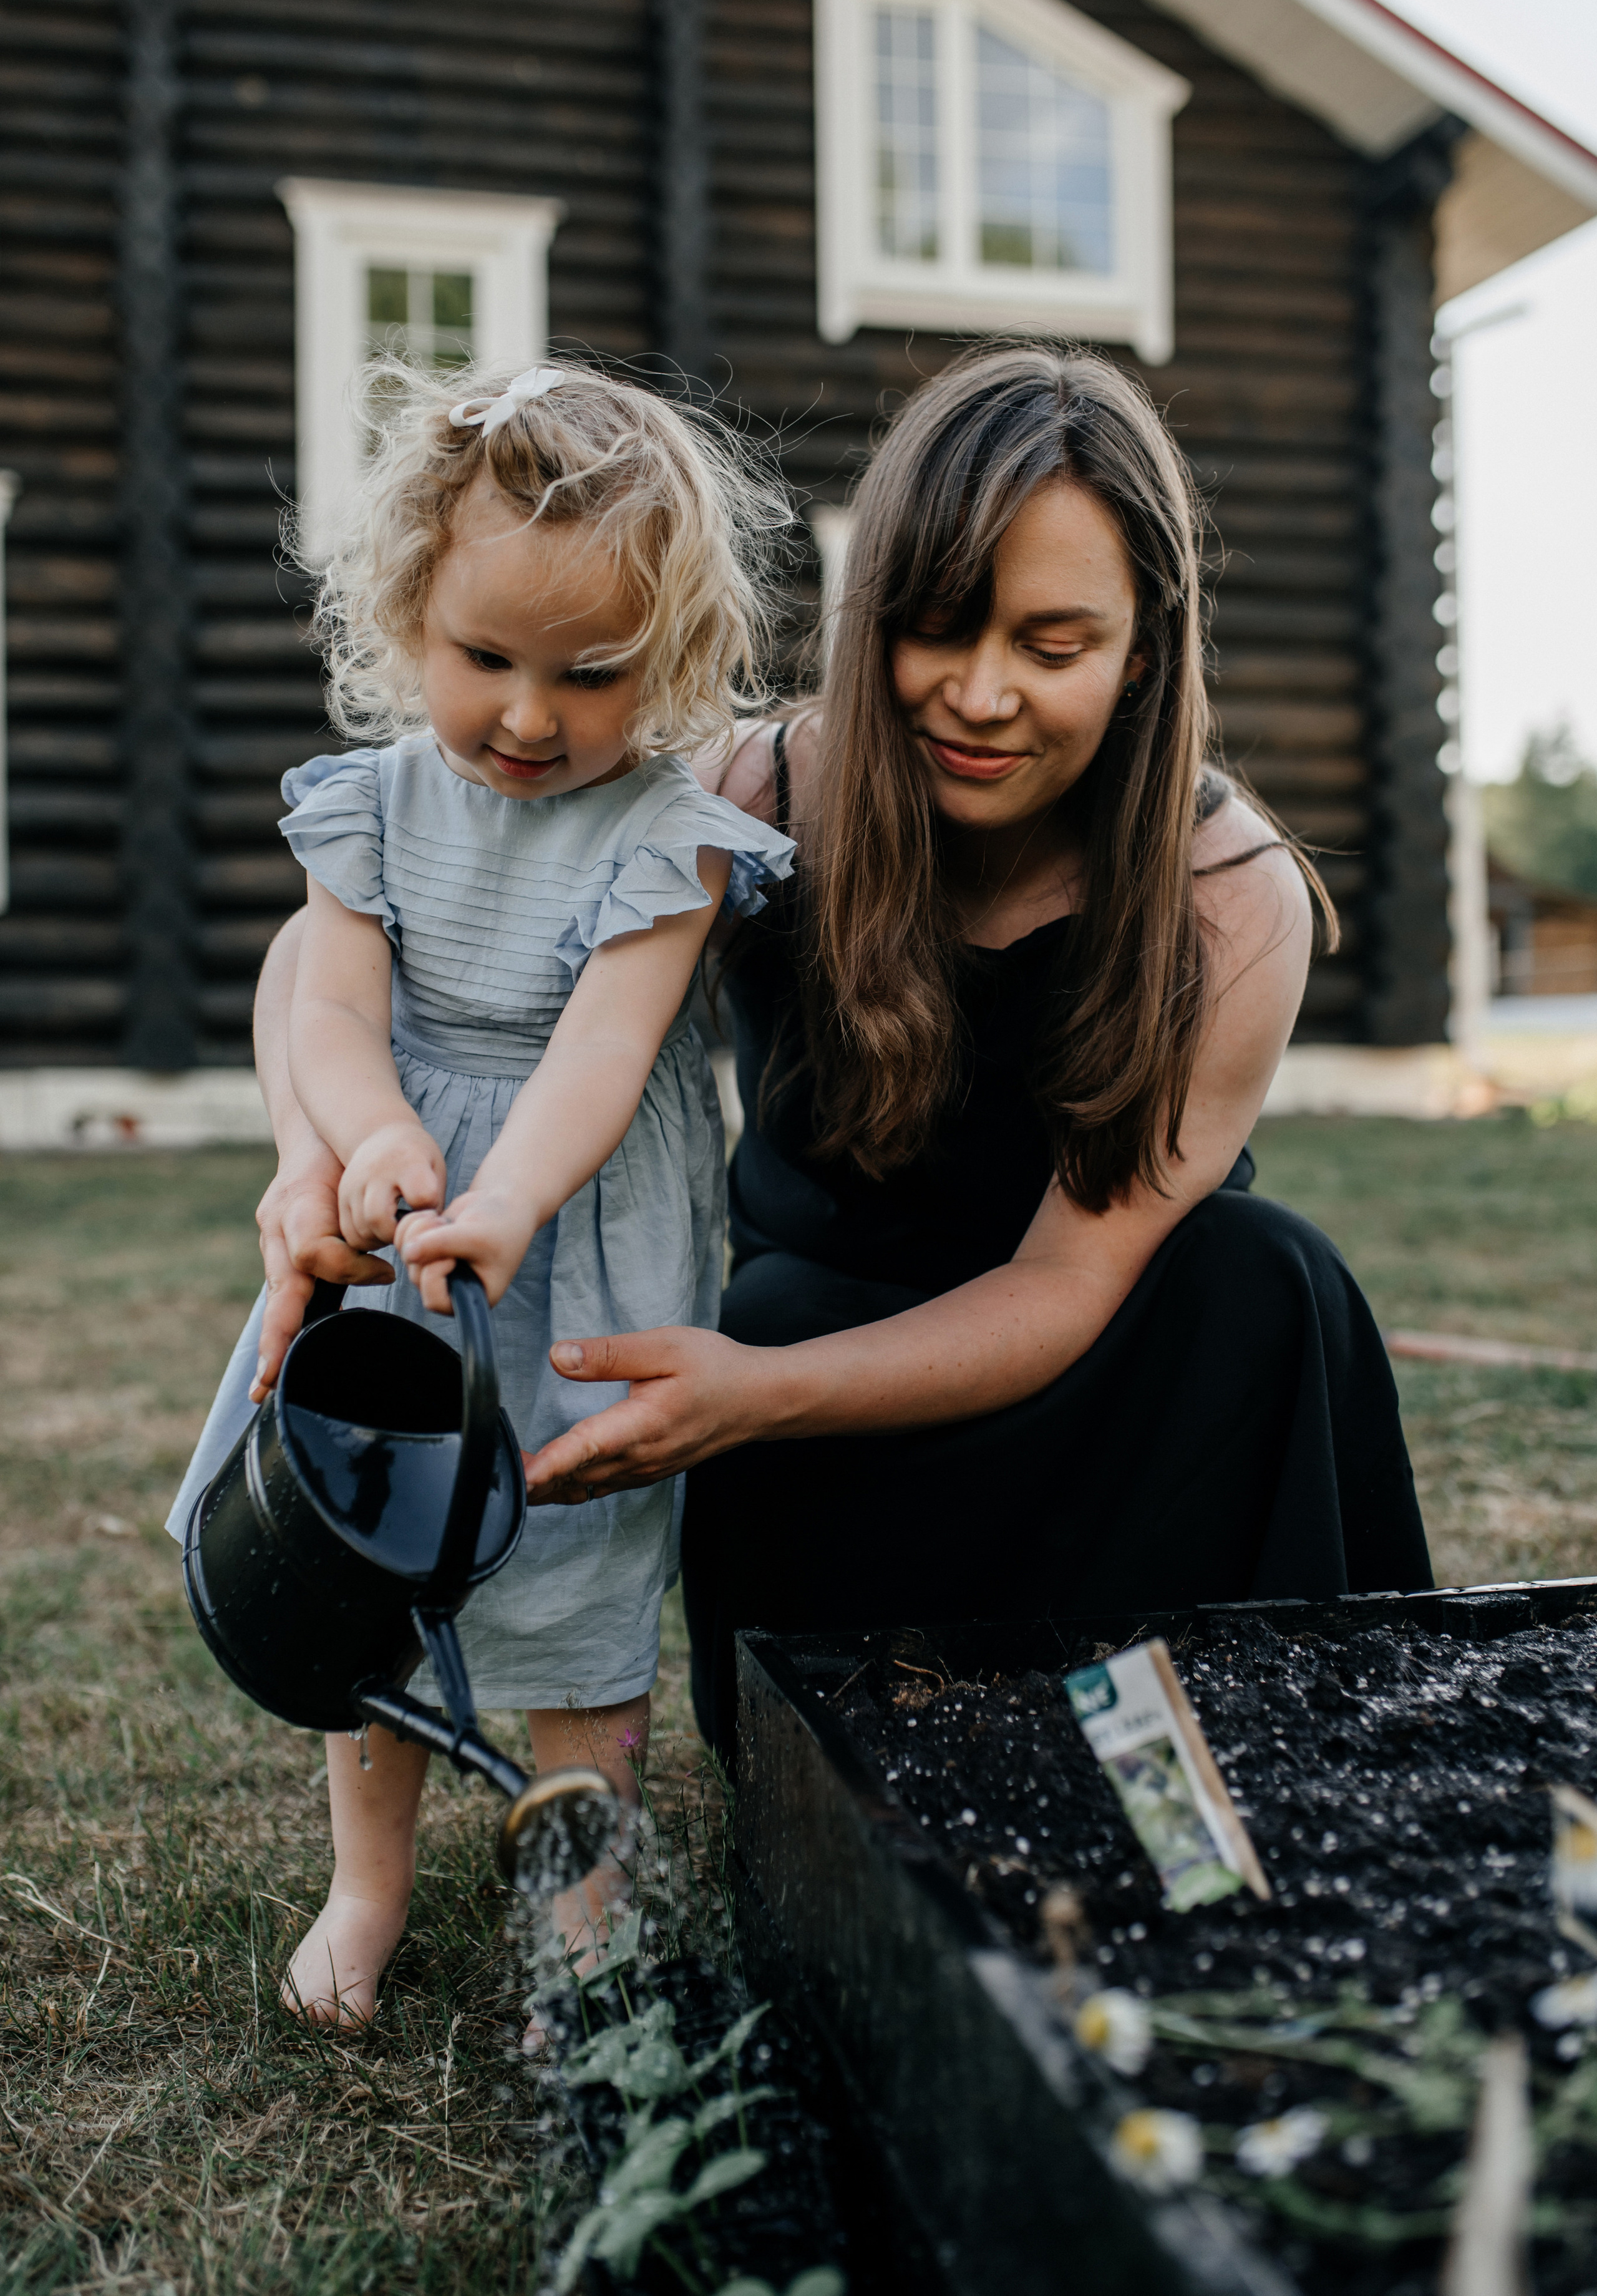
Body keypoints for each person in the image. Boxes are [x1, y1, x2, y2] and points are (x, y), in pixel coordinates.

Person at [247, 344, 1430, 1787]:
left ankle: (1213, 1760)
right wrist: (311, 1153)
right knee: (895, 1767)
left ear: (1141, 651)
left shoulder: (1227, 897)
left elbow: (1065, 1284)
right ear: (869, 614)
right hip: (812, 1391)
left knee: (1258, 1271)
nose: (980, 694)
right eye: (936, 628)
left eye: (1052, 647)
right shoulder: (756, 796)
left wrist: (758, 1392)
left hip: (1105, 1397)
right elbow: (338, 946)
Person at [167, 358, 793, 2023]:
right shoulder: (368, 806)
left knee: (582, 1577)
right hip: (401, 1234)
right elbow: (329, 1004)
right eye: (485, 660)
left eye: (590, 674)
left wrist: (506, 1200)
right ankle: (365, 1885)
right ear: (407, 617)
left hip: (575, 1238)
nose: (528, 715)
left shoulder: (669, 836)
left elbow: (606, 1050)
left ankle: (582, 1911)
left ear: (668, 654)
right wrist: (369, 1136)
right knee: (366, 1558)